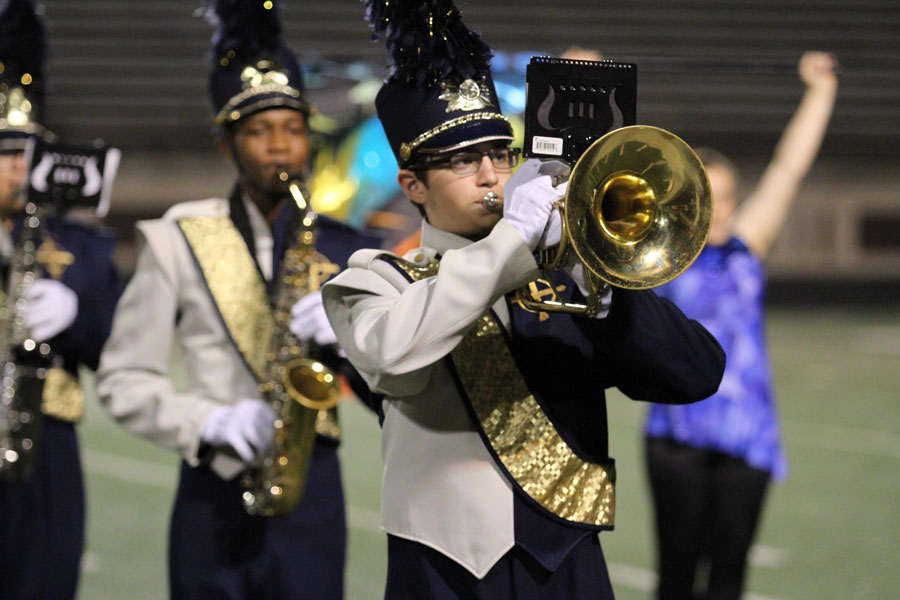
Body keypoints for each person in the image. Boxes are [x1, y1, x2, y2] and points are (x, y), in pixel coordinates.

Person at [320, 2, 726, 598]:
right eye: (463, 161)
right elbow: (393, 355)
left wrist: (605, 289)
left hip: (569, 564)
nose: (491, 176)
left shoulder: (566, 275)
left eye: (501, 154)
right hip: (444, 572)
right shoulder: (376, 280)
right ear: (413, 185)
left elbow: (696, 374)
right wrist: (513, 239)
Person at [96, 1, 378, 598]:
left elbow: (394, 384)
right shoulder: (178, 237)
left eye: (293, 129)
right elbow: (123, 381)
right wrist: (208, 421)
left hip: (314, 489)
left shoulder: (343, 244)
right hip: (212, 489)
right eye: (258, 131)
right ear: (227, 145)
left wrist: (355, 341)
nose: (279, 146)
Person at [643, 51, 839, 600]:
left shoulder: (748, 247)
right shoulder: (658, 257)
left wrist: (820, 92)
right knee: (676, 577)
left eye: (727, 195)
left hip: (746, 435)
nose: (721, 208)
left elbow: (788, 168)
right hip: (677, 434)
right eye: (709, 195)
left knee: (729, 577)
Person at [0, 1, 122, 598]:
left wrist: (79, 312)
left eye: (29, 152)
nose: (19, 168)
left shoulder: (82, 248)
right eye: (4, 153)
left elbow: (113, 351)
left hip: (46, 448)